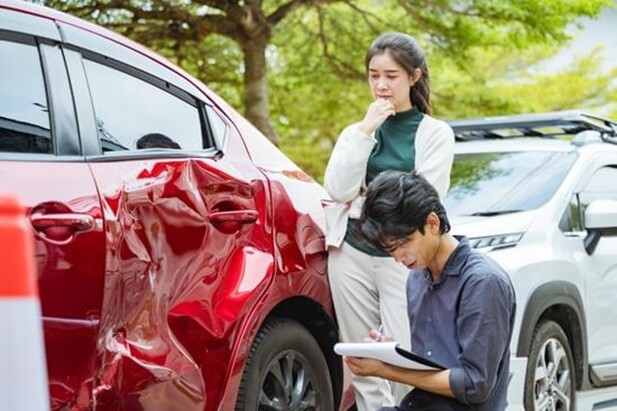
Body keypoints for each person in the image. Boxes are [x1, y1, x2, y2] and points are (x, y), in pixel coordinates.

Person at [323, 32, 454, 409]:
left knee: (406, 354)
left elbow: (424, 196)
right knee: (362, 359)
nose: (381, 85)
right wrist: (365, 132)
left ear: (413, 77)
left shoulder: (434, 133)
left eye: (391, 76)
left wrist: (367, 197)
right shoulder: (357, 132)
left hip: (405, 258)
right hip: (351, 252)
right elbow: (338, 188)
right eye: (373, 75)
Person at [346, 170, 516, 411]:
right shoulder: (416, 278)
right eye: (390, 249)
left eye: (403, 243)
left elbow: (474, 385)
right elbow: (434, 363)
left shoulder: (482, 282)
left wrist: (388, 370)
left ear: (432, 223)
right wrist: (389, 353)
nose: (398, 258)